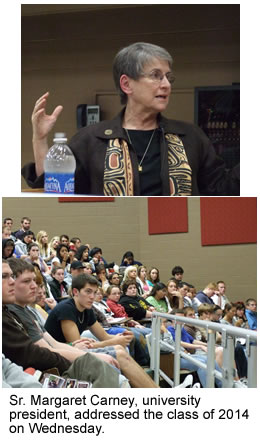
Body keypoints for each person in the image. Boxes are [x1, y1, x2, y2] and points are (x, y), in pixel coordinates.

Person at [22, 42, 239, 196]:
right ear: (127, 85)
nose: (166, 85)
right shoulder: (91, 139)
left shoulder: (190, 137)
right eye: (156, 76)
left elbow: (223, 190)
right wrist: (39, 139)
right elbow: (54, 188)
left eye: (168, 77)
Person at [2, 259, 122, 388]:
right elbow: (39, 353)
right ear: (75, 292)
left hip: (50, 364)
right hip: (48, 370)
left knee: (117, 355)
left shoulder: (24, 311)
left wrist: (78, 350)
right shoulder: (64, 309)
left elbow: (51, 345)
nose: (35, 287)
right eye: (4, 276)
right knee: (111, 367)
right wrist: (86, 356)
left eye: (36, 282)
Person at [44, 273, 158, 387]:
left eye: (94, 292)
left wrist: (122, 337)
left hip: (72, 350)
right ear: (75, 292)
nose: (92, 296)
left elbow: (104, 336)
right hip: (60, 357)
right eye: (88, 291)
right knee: (119, 352)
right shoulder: (66, 309)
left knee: (121, 346)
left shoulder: (87, 309)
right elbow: (78, 347)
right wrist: (112, 342)